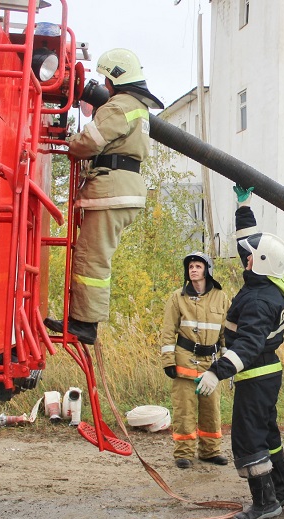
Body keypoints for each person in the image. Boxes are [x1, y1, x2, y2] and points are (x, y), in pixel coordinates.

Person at [193, 186, 284, 519]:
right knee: (266, 433)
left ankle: (265, 502)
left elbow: (249, 345)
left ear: (260, 262)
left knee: (248, 437)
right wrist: (244, 206)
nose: (245, 257)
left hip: (255, 374)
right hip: (266, 374)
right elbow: (250, 243)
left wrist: (216, 371)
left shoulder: (258, 301)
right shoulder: (266, 282)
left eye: (250, 256)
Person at [44, 48, 164, 344]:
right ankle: (83, 320)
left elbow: (88, 143)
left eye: (106, 79)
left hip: (112, 191)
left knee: (91, 260)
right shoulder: (137, 106)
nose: (104, 86)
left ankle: (84, 324)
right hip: (122, 190)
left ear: (116, 77)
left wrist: (70, 142)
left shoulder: (119, 105)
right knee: (95, 257)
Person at [161, 252, 231, 469]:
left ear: (207, 270)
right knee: (184, 410)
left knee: (211, 410)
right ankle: (184, 453)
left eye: (198, 266)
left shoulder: (221, 297)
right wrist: (168, 361)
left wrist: (228, 362)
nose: (193, 269)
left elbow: (226, 333)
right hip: (184, 361)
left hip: (211, 365)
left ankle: (210, 451)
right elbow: (167, 331)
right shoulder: (177, 297)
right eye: (190, 266)